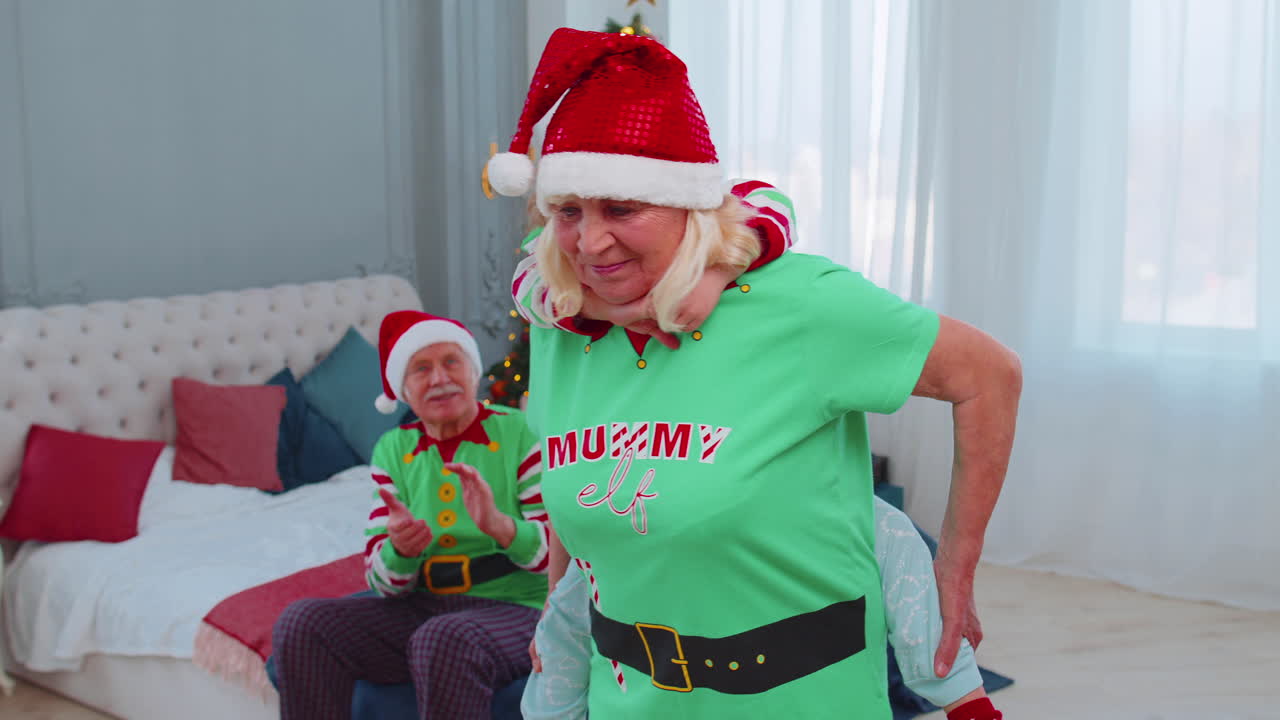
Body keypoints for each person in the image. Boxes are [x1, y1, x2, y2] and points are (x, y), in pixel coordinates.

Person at [486, 27, 1021, 719]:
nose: (590, 242)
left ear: (690, 205)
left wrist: (955, 562)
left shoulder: (800, 305)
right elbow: (577, 503)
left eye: (622, 207)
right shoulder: (562, 325)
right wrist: (560, 620)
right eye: (569, 211)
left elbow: (990, 376)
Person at [271, 311, 551, 720]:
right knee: (303, 623)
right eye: (421, 369)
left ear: (474, 373)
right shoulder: (392, 449)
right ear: (404, 388)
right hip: (423, 604)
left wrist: (500, 527)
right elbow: (382, 583)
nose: (439, 378)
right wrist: (399, 551)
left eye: (451, 362)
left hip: (518, 607)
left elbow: (556, 559)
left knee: (444, 638)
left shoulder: (521, 432)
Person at [523, 497, 999, 719]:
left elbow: (936, 654)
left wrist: (967, 702)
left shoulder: (867, 522)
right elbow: (567, 623)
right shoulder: (630, 521)